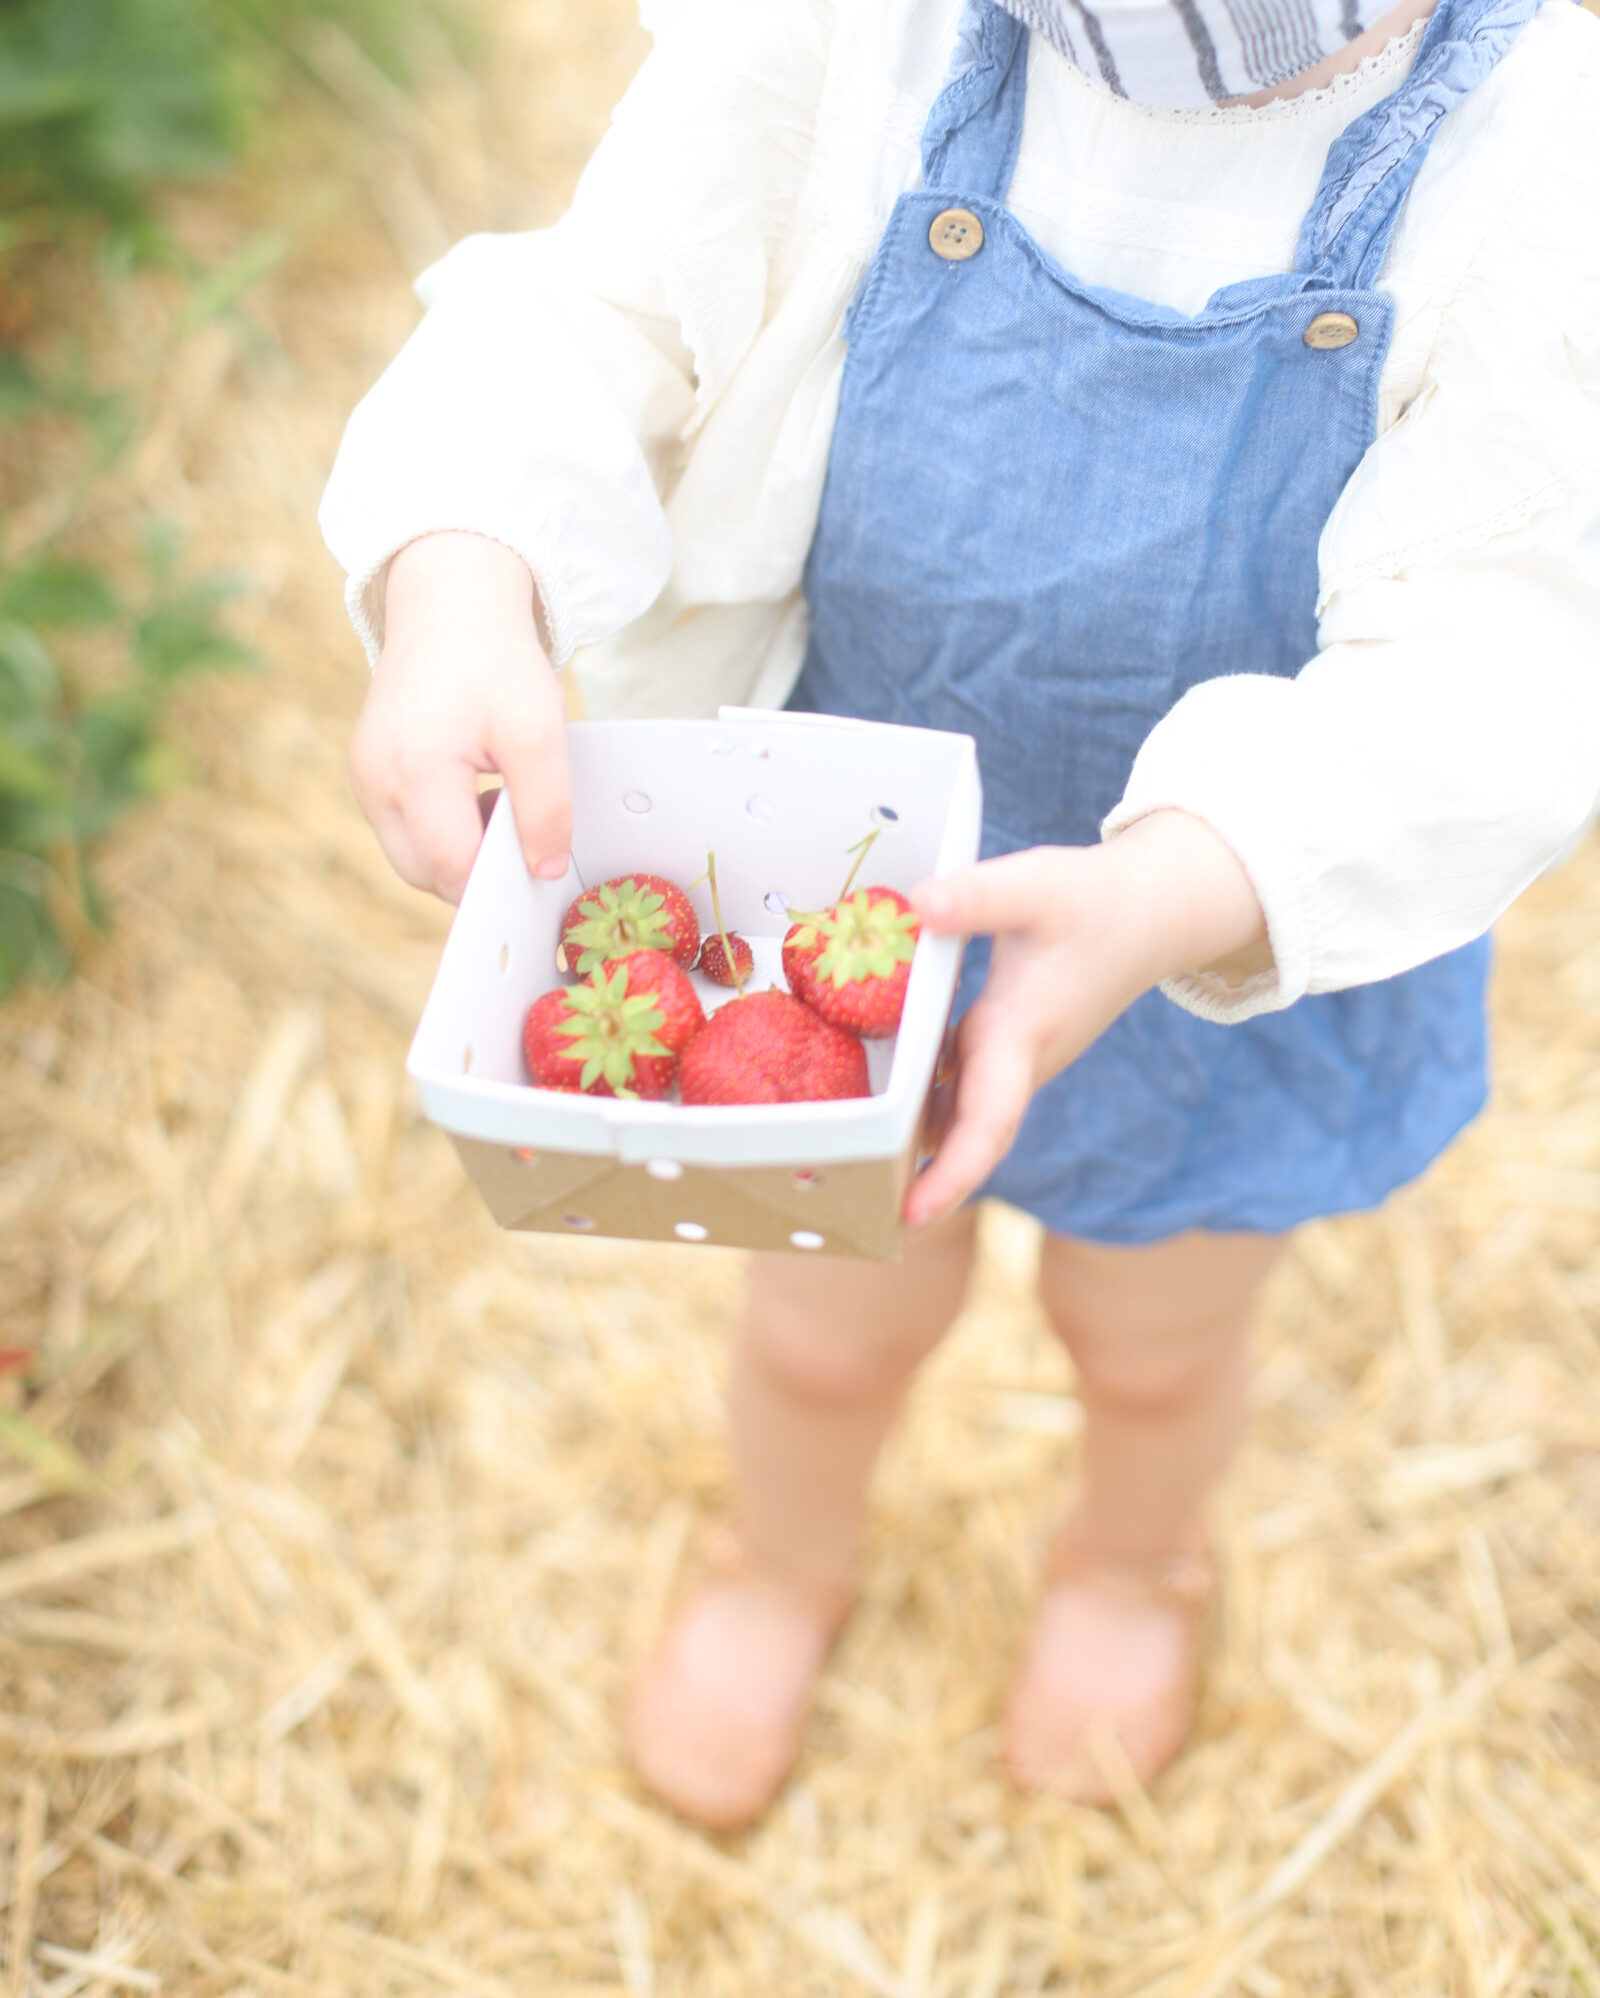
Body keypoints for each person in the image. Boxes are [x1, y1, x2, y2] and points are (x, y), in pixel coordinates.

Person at [321, 0, 1600, 1829]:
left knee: (1153, 1337)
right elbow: (604, 310)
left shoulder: (1545, 142)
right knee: (827, 1320)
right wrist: (459, 571)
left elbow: (1510, 649)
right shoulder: (855, 35)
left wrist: (1182, 880)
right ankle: (781, 1557)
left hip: (1223, 909)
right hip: (852, 902)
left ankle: (1135, 1561)